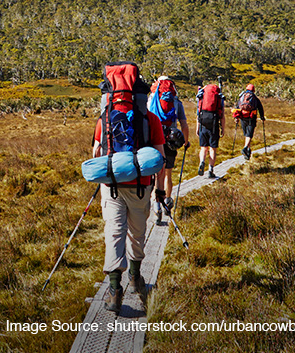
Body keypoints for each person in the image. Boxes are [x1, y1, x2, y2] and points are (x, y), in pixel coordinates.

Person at [93, 65, 166, 313]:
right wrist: (159, 191)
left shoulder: (104, 118)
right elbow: (160, 159)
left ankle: (114, 291)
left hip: (111, 185)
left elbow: (96, 153)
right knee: (137, 233)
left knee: (114, 233)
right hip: (141, 186)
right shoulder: (151, 119)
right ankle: (135, 279)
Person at [148, 76, 190, 220]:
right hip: (171, 140)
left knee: (156, 173)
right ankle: (167, 201)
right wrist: (185, 142)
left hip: (154, 140)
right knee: (168, 173)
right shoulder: (176, 101)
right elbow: (184, 125)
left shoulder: (151, 99)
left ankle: (156, 205)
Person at [195, 82, 224, 179]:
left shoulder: (202, 96)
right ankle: (210, 170)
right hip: (214, 125)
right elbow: (222, 116)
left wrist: (197, 128)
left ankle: (202, 161)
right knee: (212, 148)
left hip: (203, 124)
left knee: (203, 148)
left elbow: (198, 113)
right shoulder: (219, 98)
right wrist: (223, 129)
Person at [233, 83, 266, 160]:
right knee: (249, 134)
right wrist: (262, 117)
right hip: (251, 117)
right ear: (253, 90)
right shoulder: (254, 98)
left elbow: (237, 107)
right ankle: (245, 148)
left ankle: (248, 151)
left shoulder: (242, 96)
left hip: (243, 117)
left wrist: (236, 117)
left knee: (246, 134)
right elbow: (260, 108)